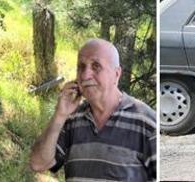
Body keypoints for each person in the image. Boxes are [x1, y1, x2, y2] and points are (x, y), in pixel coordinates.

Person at [29, 39, 156, 181]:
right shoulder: (71, 119)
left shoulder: (146, 122)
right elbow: (38, 164)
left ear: (116, 74)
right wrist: (59, 115)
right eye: (81, 67)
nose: (85, 75)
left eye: (96, 66)